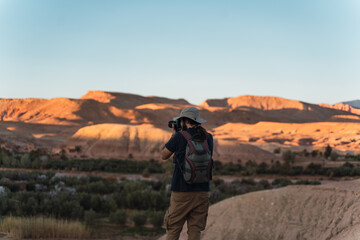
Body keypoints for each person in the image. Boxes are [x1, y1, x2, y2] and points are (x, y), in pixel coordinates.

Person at [161, 106, 213, 240]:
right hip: (203, 191)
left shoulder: (179, 136)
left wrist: (174, 134)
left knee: (173, 228)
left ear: (184, 120)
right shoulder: (209, 137)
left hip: (181, 191)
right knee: (195, 230)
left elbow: (164, 155)